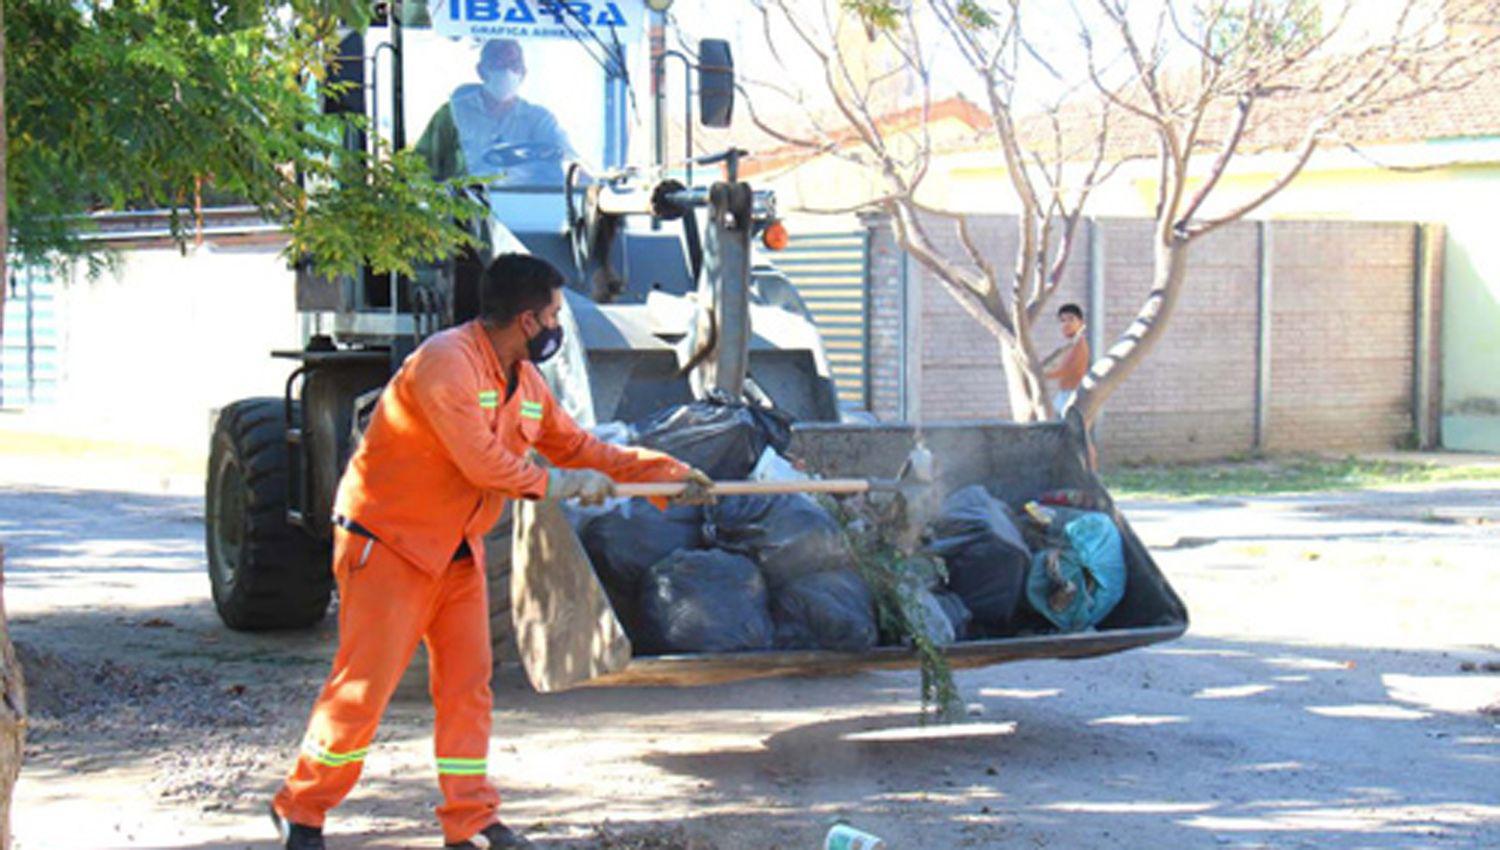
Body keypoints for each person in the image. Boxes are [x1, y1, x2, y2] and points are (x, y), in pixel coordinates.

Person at [268, 254, 714, 850]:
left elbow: (579, 446)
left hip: (457, 550)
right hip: (391, 544)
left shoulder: (523, 381)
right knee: (363, 688)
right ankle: (301, 810)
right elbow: (481, 462)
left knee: (468, 687)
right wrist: (557, 484)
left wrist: (665, 472)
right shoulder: (445, 363)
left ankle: (469, 821)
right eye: (554, 314)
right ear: (528, 320)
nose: (557, 326)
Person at [414, 39, 575, 184]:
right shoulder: (452, 114)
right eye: (498, 63)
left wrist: (580, 176)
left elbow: (569, 162)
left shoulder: (540, 120)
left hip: (528, 203)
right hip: (465, 204)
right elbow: (418, 169)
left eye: (513, 64)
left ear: (523, 73)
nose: (507, 71)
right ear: (481, 71)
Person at [1042, 303, 1090, 418]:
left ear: (1081, 323)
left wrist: (1043, 375)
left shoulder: (1080, 345)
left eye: (1071, 319)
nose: (1066, 324)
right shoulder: (1072, 345)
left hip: (1071, 395)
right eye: (1063, 321)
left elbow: (1069, 370)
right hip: (1065, 394)